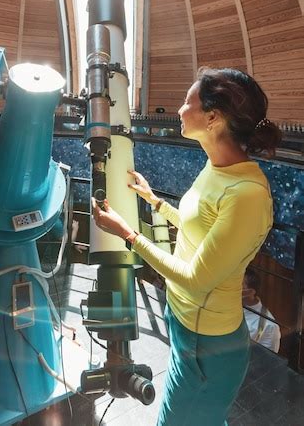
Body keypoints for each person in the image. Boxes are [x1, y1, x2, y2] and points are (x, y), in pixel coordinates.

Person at [92, 67, 282, 426]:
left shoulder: (247, 196)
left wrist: (128, 234)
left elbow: (196, 279)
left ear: (212, 117)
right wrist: (156, 202)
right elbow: (201, 229)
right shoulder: (217, 167)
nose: (179, 109)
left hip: (208, 348)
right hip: (185, 329)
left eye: (186, 102)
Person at [242, 266, 281, 353]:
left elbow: (268, 360)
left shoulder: (269, 325)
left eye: (238, 286)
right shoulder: (227, 306)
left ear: (251, 292)